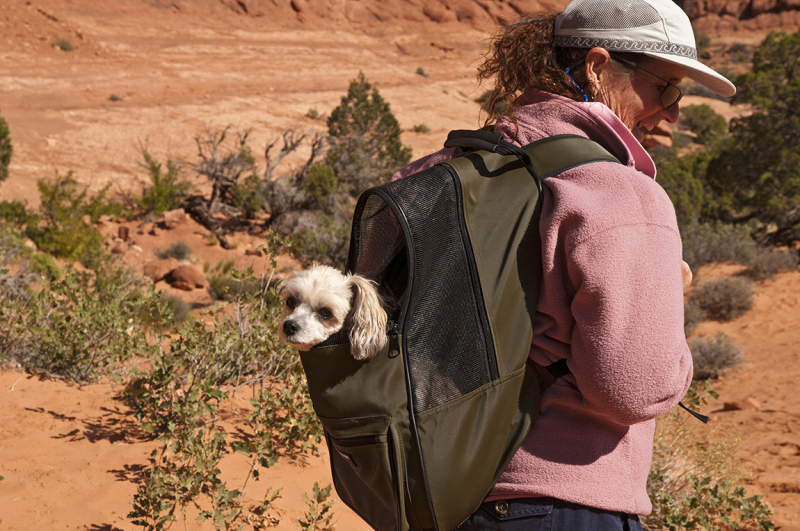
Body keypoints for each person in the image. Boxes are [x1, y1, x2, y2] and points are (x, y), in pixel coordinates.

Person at [391, 0, 735, 528]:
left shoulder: (429, 175)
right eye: (665, 86)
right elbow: (633, 389)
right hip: (561, 501)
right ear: (597, 68)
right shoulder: (620, 192)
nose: (673, 111)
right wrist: (671, 310)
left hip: (431, 496)